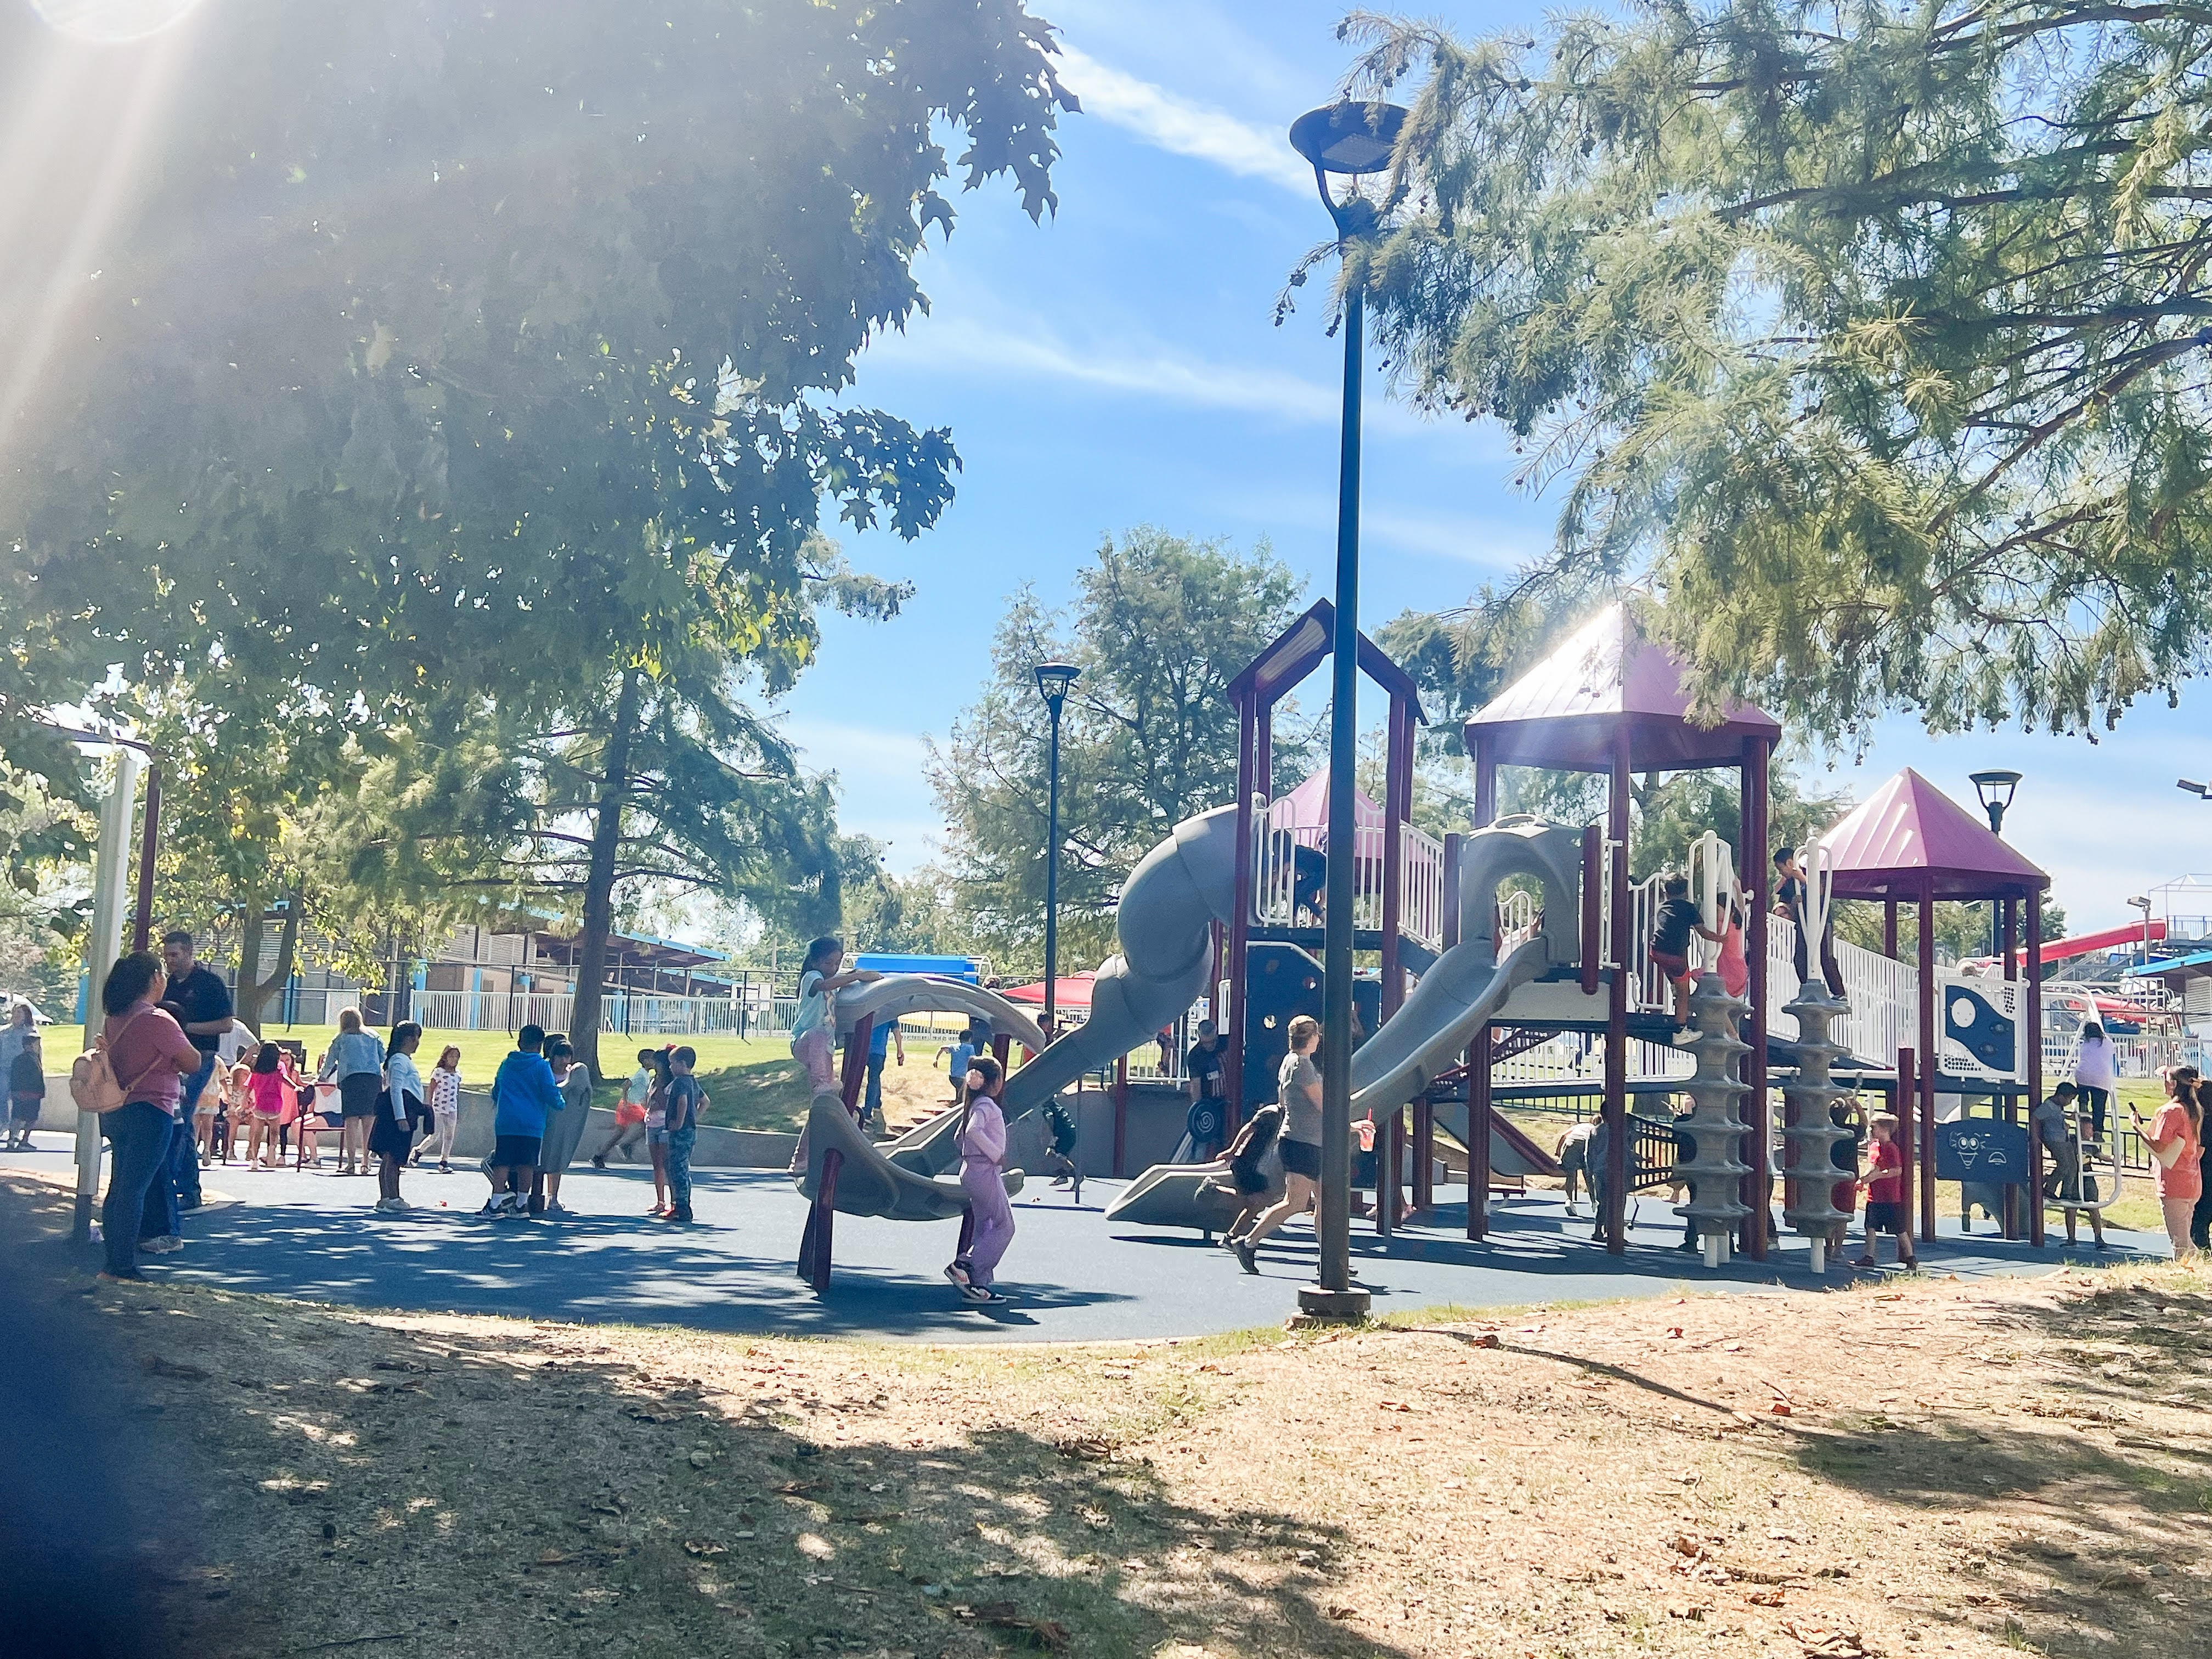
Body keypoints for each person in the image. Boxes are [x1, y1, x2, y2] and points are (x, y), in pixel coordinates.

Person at [93, 951, 201, 1280]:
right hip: (152, 1110)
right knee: (134, 1189)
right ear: (155, 979)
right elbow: (193, 1062)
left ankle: (115, 1259)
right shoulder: (158, 1020)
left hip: (118, 1109)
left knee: (120, 1186)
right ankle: (121, 1266)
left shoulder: (116, 1018)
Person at [1229, 1015, 1323, 1273]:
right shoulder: (1302, 1068)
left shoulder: (1290, 1062)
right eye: (1317, 1035)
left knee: (1327, 1202)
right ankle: (1247, 1243)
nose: (1319, 1040)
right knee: (1295, 1202)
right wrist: (1351, 1124)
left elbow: (1285, 1100)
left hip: (1310, 1140)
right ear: (1311, 1037)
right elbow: (1322, 1105)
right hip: (1301, 1142)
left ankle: (1330, 1259)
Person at [157, 930, 233, 1215]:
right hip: (167, 1059)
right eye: (166, 955)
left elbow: (226, 1024)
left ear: (189, 953)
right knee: (177, 1122)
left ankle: (187, 1188)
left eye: (174, 955)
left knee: (182, 1117)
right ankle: (184, 1187)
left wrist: (184, 1029)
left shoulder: (209, 984)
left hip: (199, 1058)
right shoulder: (163, 985)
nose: (169, 960)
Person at [944, 1054, 1013, 1302]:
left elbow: (959, 1137)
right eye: (1001, 1078)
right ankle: (965, 1265)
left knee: (986, 1226)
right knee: (1006, 1226)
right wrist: (996, 1154)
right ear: (993, 1082)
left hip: (973, 1170)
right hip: (984, 1171)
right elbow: (973, 1131)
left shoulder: (974, 1104)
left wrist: (971, 1155)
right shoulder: (986, 1105)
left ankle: (978, 1284)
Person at [483, 1024, 561, 1218]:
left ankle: (495, 1203)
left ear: (519, 1042)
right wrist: (561, 1103)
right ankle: (521, 1204)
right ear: (540, 1045)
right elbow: (550, 1092)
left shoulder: (507, 1064)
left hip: (507, 1121)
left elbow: (497, 1089)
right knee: (527, 1164)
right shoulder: (541, 1066)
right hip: (532, 1124)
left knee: (503, 1162)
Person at [788, 937, 878, 1096]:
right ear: (815, 962)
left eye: (837, 963)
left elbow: (838, 984)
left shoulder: (834, 982)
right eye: (828, 963)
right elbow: (823, 986)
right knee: (819, 1036)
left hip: (825, 1045)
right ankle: (820, 1083)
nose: (834, 968)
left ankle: (822, 1114)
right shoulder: (812, 976)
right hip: (804, 1042)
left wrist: (862, 977)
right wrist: (856, 976)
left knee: (826, 1092)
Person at [2135, 1068, 2203, 1261]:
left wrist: (2137, 1127)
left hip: (2175, 1182)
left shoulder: (2171, 1111)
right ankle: (2197, 1269)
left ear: (2174, 1084)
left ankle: (2189, 1273)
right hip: (2191, 1180)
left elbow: (2159, 1144)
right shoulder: (2194, 1109)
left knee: (2179, 1242)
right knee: (2185, 1239)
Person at [2034, 1082, 2107, 1250]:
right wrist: (2037, 1137)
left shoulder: (2059, 1109)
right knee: (2065, 1167)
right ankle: (2051, 1189)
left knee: (2071, 1168)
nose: (2069, 1102)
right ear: (2061, 1096)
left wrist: (2067, 1120)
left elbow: (2100, 1155)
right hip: (2055, 1139)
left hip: (2065, 1144)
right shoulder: (2050, 1107)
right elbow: (2036, 1117)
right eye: (2070, 1099)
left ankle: (2098, 1237)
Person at [318, 1007, 386, 1177]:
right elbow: (383, 1057)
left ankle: (350, 1163)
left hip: (351, 1080)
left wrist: (323, 1077)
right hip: (372, 1080)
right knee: (369, 1122)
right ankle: (366, 1162)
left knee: (351, 1122)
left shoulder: (341, 1039)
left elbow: (330, 1060)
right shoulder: (373, 1036)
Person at [1211, 1095, 1284, 1242]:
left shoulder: (1287, 1119)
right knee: (1258, 1201)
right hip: (1247, 1165)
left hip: (1260, 1168)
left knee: (1257, 1204)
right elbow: (1248, 1129)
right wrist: (1232, 1151)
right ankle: (1214, 1190)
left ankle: (1231, 1237)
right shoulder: (1271, 1113)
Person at [1773, 846, 1843, 995]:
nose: (1781, 873)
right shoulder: (1789, 883)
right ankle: (1807, 990)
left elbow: (1819, 891)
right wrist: (1791, 904)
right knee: (1800, 959)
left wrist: (1802, 879)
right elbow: (1781, 900)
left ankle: (1839, 993)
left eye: (1781, 869)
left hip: (1821, 922)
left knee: (1826, 958)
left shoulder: (1809, 872)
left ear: (1790, 863)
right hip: (1803, 923)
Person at [371, 1022, 425, 1214]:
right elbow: (396, 1089)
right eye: (415, 1038)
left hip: (396, 1113)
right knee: (394, 1157)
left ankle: (387, 1197)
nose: (417, 1042)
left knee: (389, 1157)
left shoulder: (398, 1060)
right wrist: (401, 1118)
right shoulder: (400, 1061)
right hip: (399, 1114)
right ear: (407, 1039)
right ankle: (392, 1196)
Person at [538, 1036, 594, 1216]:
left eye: (568, 1056)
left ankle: (553, 1196)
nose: (564, 1061)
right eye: (561, 1056)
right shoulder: (544, 1070)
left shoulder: (574, 1073)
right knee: (541, 1157)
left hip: (563, 1122)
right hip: (544, 1120)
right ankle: (536, 1196)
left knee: (558, 1156)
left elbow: (583, 1091)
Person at [1854, 1112, 1917, 1269]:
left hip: (1890, 1198)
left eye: (1874, 1127)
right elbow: (1873, 1168)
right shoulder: (1874, 1147)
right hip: (1874, 1197)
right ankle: (1869, 1257)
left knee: (1899, 1230)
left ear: (1884, 1129)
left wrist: (1877, 1177)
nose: (1872, 1131)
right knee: (1870, 1228)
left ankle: (1910, 1258)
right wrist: (1864, 1179)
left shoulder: (1892, 1149)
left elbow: (1896, 1171)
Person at [1648, 874, 1705, 1026]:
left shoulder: (1661, 907)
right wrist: (1719, 938)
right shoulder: (1688, 908)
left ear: (1666, 893)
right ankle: (1681, 1028)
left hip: (1656, 951)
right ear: (1686, 893)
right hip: (1676, 956)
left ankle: (1674, 987)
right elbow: (1701, 930)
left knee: (1669, 971)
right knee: (1684, 994)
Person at [661, 1045, 702, 1225]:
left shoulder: (680, 1082)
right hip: (690, 1131)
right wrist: (694, 1119)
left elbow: (683, 1101)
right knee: (684, 1169)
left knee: (677, 1169)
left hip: (680, 1133)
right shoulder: (693, 1081)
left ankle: (682, 1209)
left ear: (682, 1064)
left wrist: (678, 1123)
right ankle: (683, 1205)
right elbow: (705, 1101)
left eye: (672, 1064)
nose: (670, 1067)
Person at [593, 1048, 655, 1168]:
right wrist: (626, 1100)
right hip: (630, 1105)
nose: (654, 1062)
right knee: (647, 1124)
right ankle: (625, 1145)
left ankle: (599, 1157)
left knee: (618, 1133)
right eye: (652, 1059)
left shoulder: (645, 1075)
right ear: (646, 1061)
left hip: (629, 1104)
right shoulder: (641, 1074)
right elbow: (626, 1084)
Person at [1184, 1019, 1230, 1159]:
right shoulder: (1195, 1056)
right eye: (1206, 1043)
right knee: (1202, 1141)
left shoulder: (1226, 1042)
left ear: (1216, 1033)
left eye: (1212, 1042)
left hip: (1229, 1100)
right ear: (1199, 1036)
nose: (1210, 1046)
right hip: (1209, 1104)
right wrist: (1198, 1111)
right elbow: (1196, 1086)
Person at [416, 1045, 462, 1171]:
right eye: (451, 1056)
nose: (454, 1059)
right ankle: (418, 1151)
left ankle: (444, 1161)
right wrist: (429, 1105)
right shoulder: (439, 1072)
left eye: (456, 1057)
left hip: (452, 1108)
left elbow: (456, 1091)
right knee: (435, 1135)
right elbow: (431, 1089)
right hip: (438, 1108)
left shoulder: (458, 1074)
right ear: (445, 1057)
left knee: (449, 1136)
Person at [243, 1043, 289, 1169]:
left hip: (260, 1103)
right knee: (274, 1132)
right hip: (275, 1103)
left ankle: (255, 1159)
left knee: (257, 1133)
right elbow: (285, 1079)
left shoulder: (257, 1069)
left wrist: (245, 1099)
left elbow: (249, 1086)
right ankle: (271, 1153)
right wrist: (296, 1087)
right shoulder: (279, 1067)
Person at [640, 1048, 674, 1216]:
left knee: (667, 1164)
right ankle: (660, 1201)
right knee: (657, 1165)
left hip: (664, 1124)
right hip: (651, 1124)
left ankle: (674, 1202)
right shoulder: (654, 1080)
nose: (655, 1065)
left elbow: (666, 1103)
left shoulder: (670, 1083)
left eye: (658, 1062)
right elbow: (649, 1101)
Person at [2072, 1022, 2117, 1146]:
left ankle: (2083, 1102)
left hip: (2084, 1075)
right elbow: (2112, 1050)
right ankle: (2098, 1132)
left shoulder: (2085, 1044)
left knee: (2082, 1084)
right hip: (2102, 1078)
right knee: (2099, 1107)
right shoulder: (2107, 1043)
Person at [861, 1015, 903, 1133]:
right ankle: (870, 1108)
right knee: (874, 1079)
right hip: (878, 1051)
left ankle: (872, 1106)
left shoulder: (871, 1006)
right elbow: (896, 1031)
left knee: (871, 1079)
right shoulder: (891, 1011)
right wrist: (900, 1049)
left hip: (863, 1048)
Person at [1041, 1095, 1081, 1204]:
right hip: (1068, 1132)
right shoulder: (1055, 1106)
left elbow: (1053, 1126)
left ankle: (1077, 1176)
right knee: (1061, 1156)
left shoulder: (1047, 1110)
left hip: (1065, 1134)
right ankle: (1064, 1176)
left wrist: (1052, 1144)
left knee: (1055, 1154)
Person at [8, 1029, 43, 1150]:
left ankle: (12, 1139)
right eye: (36, 1044)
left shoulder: (30, 1059)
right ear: (29, 1045)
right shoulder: (25, 1060)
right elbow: (19, 1077)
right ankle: (23, 1140)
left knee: (18, 1116)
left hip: (24, 1093)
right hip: (30, 1094)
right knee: (31, 1118)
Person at [1555, 1119, 1596, 1215]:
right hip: (1584, 1145)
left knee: (1570, 1175)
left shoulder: (1578, 1126)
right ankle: (1594, 1200)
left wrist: (1558, 1151)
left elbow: (1563, 1136)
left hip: (1570, 1144)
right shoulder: (1594, 1128)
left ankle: (1569, 1200)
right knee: (1588, 1175)